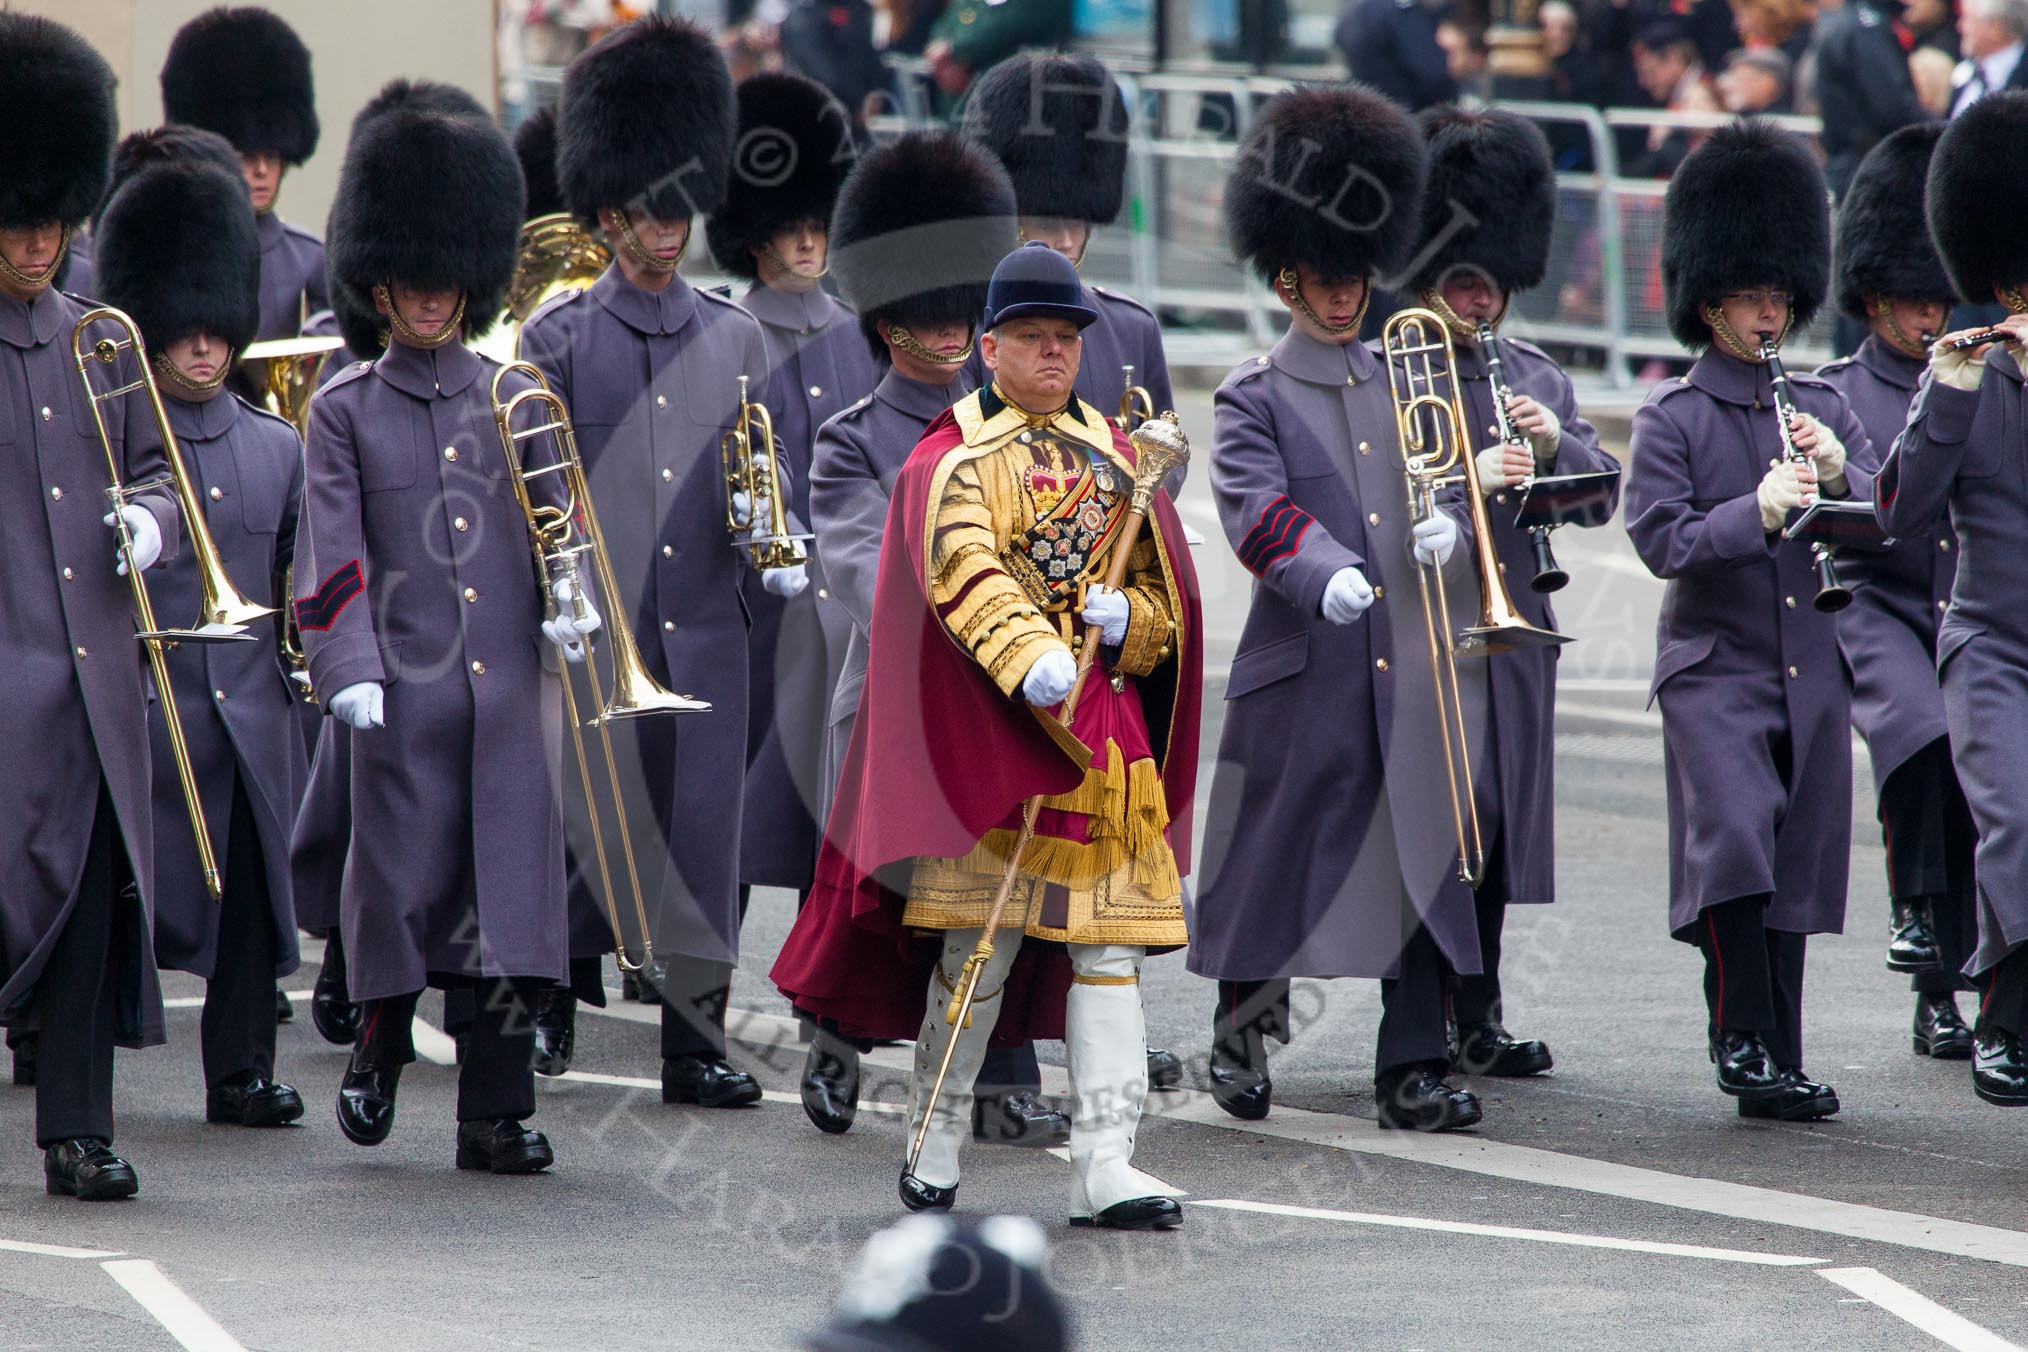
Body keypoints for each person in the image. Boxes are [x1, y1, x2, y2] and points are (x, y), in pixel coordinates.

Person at [772, 242, 1202, 1229]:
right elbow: (960, 563)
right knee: (979, 951)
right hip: (993, 743)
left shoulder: (1122, 458)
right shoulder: (953, 454)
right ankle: (933, 1142)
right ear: (994, 345)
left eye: (1068, 339)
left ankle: (1106, 1161)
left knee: (1107, 958)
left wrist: (1126, 621)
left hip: (1104, 745)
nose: (1055, 354)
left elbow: (1163, 604)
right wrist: (1025, 654)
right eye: (1035, 338)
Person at [1188, 84, 1489, 1132]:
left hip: (1404, 661)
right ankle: (1240, 1035)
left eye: (1357, 273)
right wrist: (1324, 571)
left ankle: (1410, 1063)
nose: (1346, 293)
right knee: (1276, 865)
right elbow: (1254, 510)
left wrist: (1443, 520)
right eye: (1326, 277)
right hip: (1304, 667)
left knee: (1416, 856)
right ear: (1286, 278)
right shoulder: (1251, 395)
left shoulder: (1404, 375)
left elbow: (1434, 479)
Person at [299, 81, 582, 1173]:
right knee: (398, 880)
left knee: (510, 890)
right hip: (401, 687)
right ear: (382, 281)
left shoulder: (515, 392)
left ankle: (495, 1108)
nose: (429, 297)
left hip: (509, 686)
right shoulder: (344, 409)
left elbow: (560, 526)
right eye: (410, 280)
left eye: (445, 278)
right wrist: (349, 663)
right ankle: (377, 1038)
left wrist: (574, 602)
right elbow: (331, 554)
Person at [522, 16, 800, 1109]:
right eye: (650, 209)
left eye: (683, 207)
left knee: (701, 838)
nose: (671, 228)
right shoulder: (555, 340)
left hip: (705, 619)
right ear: (607, 214)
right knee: (579, 824)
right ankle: (547, 1000)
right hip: (600, 619)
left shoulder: (736, 336)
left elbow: (765, 468)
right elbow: (536, 491)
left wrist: (772, 542)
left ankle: (695, 1043)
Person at [1625, 120, 1872, 1122]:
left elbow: (1887, 518)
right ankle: (1740, 1038)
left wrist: (1842, 473)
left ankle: (1782, 1050)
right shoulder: (1673, 416)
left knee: (1796, 860)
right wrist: (1754, 513)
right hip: (1714, 666)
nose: (1768, 310)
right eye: (1749, 295)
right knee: (1734, 840)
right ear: (1708, 300)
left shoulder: (1818, 403)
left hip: (1808, 663)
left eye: (1779, 294)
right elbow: (1658, 541)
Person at [959, 50, 1186, 1128]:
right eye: (1036, 214)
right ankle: (996, 1063)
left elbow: (1158, 483)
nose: (1056, 235)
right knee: (994, 858)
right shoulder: (980, 319)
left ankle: (1103, 1056)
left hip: (1099, 634)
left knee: (1095, 857)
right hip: (1003, 630)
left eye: (1071, 217)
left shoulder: (1128, 327)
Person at [0, 13, 187, 1201]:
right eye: (21, 222)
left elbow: (159, 463)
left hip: (93, 688)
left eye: (55, 221)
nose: (40, 243)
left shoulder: (101, 341)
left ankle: (76, 1126)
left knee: (82, 918)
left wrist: (154, 519)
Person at [796, 132, 1017, 1134]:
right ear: (890, 326)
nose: (953, 332)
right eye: (932, 317)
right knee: (874, 894)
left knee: (1011, 886)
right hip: (890, 694)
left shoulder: (1013, 428)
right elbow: (851, 562)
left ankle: (1004, 1073)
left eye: (962, 313)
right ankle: (835, 1041)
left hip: (1002, 695)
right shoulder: (850, 436)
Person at [1406, 106, 1622, 1080]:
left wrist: (1549, 448)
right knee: (1435, 822)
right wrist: (1467, 483)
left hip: (1514, 621)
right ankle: (1427, 1009)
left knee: (1492, 822)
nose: (1476, 296)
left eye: (1489, 281)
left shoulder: (1531, 373)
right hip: (1424, 624)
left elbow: (1598, 495)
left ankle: (1479, 1009)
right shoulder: (1393, 368)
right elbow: (1381, 497)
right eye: (1459, 278)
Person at [96, 155, 308, 1128]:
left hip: (254, 709)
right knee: (121, 906)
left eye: (216, 325)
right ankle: (74, 1054)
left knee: (256, 906)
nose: (203, 345)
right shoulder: (111, 436)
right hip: (151, 711)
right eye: (183, 328)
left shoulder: (279, 445)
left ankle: (240, 1068)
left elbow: (311, 577)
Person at [1876, 91, 2028, 1105]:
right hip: (1992, 642)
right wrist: (1952, 392)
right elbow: (1901, 507)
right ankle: (2004, 1021)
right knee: (2015, 820)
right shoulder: (1965, 374)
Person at [707, 71, 872, 994]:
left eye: (820, 221)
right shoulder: (725, 333)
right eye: (792, 224)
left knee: (831, 824)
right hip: (752, 615)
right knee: (730, 821)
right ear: (754, 230)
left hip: (839, 617)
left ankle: (829, 1017)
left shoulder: (860, 332)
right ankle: (703, 1008)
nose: (810, 239)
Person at [1814, 125, 1973, 1063]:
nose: (1928, 315)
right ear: (1873, 300)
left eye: (1936, 297)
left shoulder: (1984, 379)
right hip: (1878, 603)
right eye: (1911, 301)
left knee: (1977, 790)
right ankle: (1914, 912)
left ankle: (1944, 991)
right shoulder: (1837, 395)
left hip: (1962, 606)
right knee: (1921, 734)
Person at [160, 6, 325, 341]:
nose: (262, 171)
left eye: (272, 155)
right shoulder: (176, 252)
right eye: (247, 156)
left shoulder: (309, 258)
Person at [1811, 0, 1929, 199]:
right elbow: (1893, 109)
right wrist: (1944, 132)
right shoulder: (1866, 28)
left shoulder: (1854, 21)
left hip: (1857, 167)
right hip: (1870, 170)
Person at [1335, 0, 1459, 111]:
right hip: (1407, 109)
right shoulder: (1396, 12)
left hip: (1372, 106)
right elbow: (1431, 71)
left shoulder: (1363, 9)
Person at [1949, 0, 2028, 115]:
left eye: (1967, 19)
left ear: (1995, 28)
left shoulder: (2023, 73)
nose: (1960, 27)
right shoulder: (1970, 70)